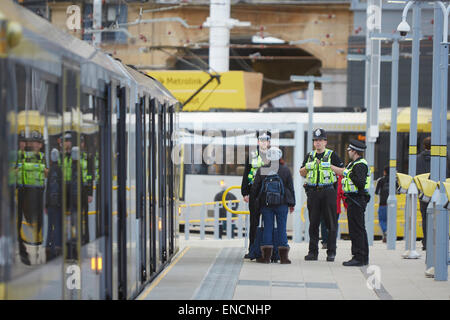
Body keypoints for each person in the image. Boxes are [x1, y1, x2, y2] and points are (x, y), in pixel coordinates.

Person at [299, 128, 344, 262]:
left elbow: (342, 171)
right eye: (315, 140)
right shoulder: (310, 156)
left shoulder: (332, 155)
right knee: (313, 223)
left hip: (328, 191)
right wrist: (309, 166)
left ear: (325, 142)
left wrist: (329, 166)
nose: (318, 143)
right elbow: (301, 172)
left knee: (331, 223)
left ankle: (331, 252)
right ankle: (312, 252)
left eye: (320, 140)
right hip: (313, 192)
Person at [251, 147, 295, 264]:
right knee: (282, 229)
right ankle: (284, 258)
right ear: (280, 156)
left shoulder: (263, 169)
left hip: (266, 204)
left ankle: (266, 258)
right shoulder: (285, 170)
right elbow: (290, 187)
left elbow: (255, 187)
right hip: (282, 204)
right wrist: (292, 203)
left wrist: (254, 202)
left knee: (268, 229)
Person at [330, 139, 370, 267]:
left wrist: (348, 173)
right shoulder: (354, 164)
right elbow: (343, 171)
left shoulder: (360, 165)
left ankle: (359, 257)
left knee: (357, 230)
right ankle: (361, 257)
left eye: (349, 150)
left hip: (357, 200)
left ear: (354, 151)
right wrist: (330, 167)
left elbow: (360, 182)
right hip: (353, 200)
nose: (348, 152)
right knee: (357, 229)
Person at [241, 130, 271, 259]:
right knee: (254, 223)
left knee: (267, 222)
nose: (263, 142)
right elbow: (246, 173)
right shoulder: (252, 155)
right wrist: (245, 192)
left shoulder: (273, 155)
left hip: (268, 194)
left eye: (266, 140)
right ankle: (252, 250)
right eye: (261, 140)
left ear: (269, 142)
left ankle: (265, 250)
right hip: (254, 193)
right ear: (258, 141)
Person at [416, 137, 430, 251]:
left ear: (424, 146)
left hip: (423, 193)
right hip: (438, 192)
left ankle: (426, 242)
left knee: (425, 218)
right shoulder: (442, 159)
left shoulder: (417, 159)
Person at [375, 166, 389, 243]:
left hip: (383, 203)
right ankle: (388, 234)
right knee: (389, 220)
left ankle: (385, 231)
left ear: (384, 172)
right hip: (391, 205)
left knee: (382, 220)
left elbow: (376, 192)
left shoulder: (381, 180)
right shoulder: (394, 180)